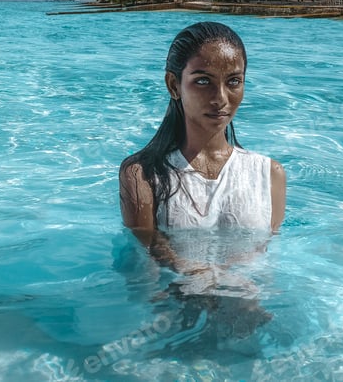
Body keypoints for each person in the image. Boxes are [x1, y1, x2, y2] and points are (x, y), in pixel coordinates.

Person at [119, 21, 286, 252]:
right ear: (173, 85)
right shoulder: (144, 174)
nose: (221, 99)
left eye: (234, 81)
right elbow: (144, 272)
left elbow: (269, 260)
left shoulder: (269, 175)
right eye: (203, 81)